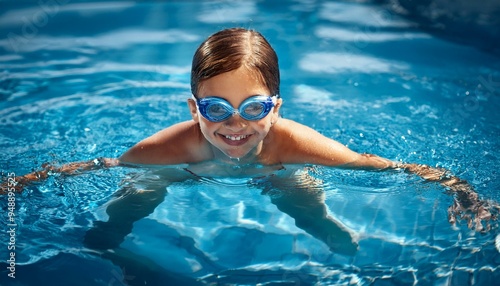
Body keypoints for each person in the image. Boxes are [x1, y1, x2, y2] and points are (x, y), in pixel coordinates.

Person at [1, 27, 496, 240]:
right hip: (188, 172)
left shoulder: (293, 145)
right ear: (194, 109)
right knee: (132, 198)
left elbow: (387, 168)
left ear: (276, 109)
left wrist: (465, 195)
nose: (234, 124)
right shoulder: (172, 147)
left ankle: (334, 247)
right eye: (216, 107)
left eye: (253, 107)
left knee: (308, 203)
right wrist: (17, 186)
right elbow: (96, 167)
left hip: (276, 170)